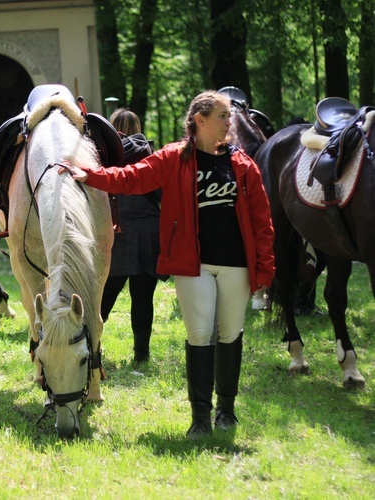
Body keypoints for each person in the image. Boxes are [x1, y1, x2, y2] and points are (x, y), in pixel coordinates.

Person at [59, 91, 275, 439]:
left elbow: (261, 220)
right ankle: (200, 418)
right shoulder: (174, 157)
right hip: (194, 264)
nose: (228, 123)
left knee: (230, 333)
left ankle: (227, 411)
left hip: (237, 265)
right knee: (199, 335)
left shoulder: (243, 164)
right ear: (200, 120)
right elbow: (131, 178)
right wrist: (89, 175)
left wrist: (265, 267)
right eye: (222, 115)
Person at [102, 109, 167, 364]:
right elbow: (162, 195)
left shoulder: (104, 155)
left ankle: (87, 342)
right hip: (147, 233)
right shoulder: (149, 156)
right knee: (143, 297)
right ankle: (141, 355)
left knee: (106, 293)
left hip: (116, 231)